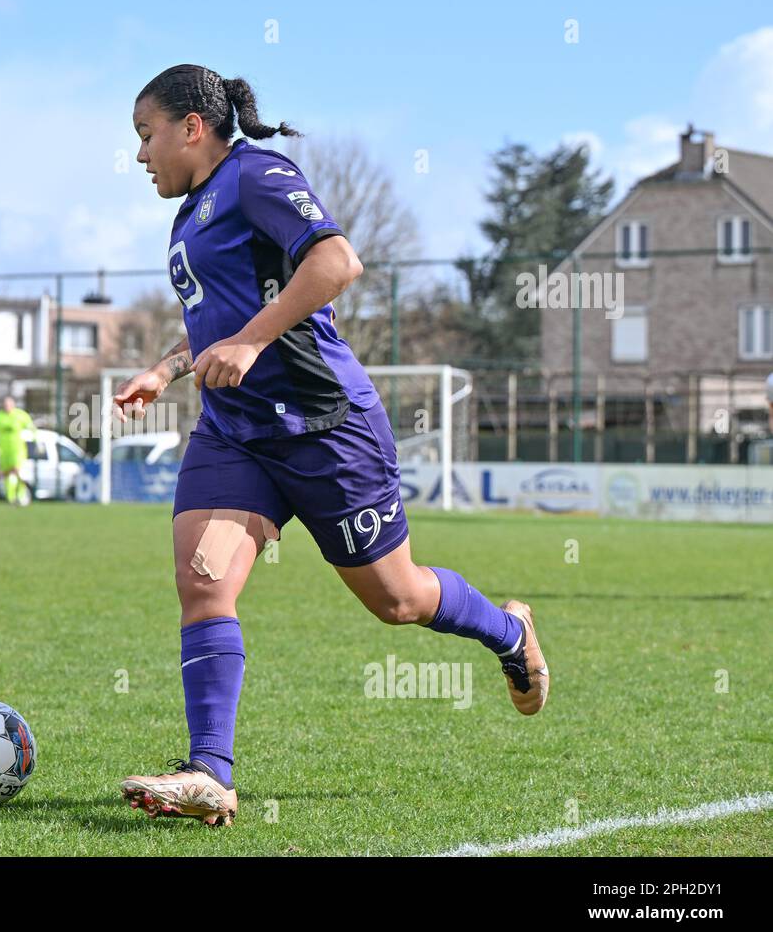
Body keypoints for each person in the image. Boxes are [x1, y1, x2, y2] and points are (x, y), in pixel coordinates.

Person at [113, 65, 548, 827]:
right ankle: (210, 772)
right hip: (234, 431)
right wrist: (169, 366)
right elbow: (219, 325)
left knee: (399, 599)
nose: (142, 155)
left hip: (322, 427)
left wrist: (250, 342)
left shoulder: (256, 173)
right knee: (203, 579)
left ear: (192, 126)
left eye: (146, 136)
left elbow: (337, 262)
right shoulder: (188, 217)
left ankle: (511, 633)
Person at [0, 396, 34, 506]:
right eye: (5, 404)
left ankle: (21, 495)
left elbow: (31, 427)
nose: (7, 406)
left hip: (18, 449)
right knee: (7, 474)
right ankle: (11, 497)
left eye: (9, 404)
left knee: (17, 470)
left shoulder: (20, 415)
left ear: (13, 405)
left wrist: (35, 439)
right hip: (3, 450)